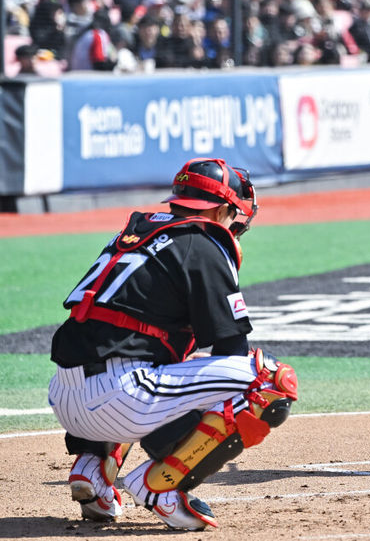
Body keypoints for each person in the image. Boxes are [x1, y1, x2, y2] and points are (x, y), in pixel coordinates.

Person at [48, 158, 298, 530]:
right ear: (224, 207)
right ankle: (162, 486)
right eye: (235, 212)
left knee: (159, 359)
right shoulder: (203, 241)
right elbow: (232, 348)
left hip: (66, 398)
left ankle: (92, 470)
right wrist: (188, 439)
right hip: (119, 397)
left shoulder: (138, 233)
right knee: (268, 382)